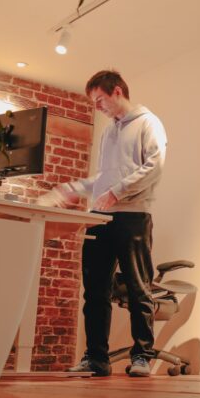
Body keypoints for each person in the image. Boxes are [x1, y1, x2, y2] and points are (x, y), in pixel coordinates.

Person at [41, 70, 167, 378]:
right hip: (100, 217)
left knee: (139, 288)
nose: (98, 108)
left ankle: (142, 356)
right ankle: (96, 357)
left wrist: (118, 191)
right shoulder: (110, 131)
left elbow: (155, 164)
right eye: (94, 103)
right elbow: (104, 179)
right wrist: (75, 188)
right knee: (95, 290)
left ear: (118, 92)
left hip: (133, 217)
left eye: (100, 100)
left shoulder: (148, 123)